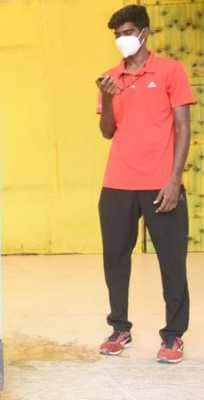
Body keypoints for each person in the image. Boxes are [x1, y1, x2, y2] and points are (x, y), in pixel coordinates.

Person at [96, 4, 196, 364]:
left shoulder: (171, 71)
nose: (121, 40)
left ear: (143, 33)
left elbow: (183, 127)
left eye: (126, 32)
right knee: (115, 261)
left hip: (160, 184)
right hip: (117, 184)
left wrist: (174, 181)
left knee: (172, 263)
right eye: (116, 35)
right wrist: (108, 96)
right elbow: (107, 131)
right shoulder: (110, 78)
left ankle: (173, 336)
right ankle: (119, 327)